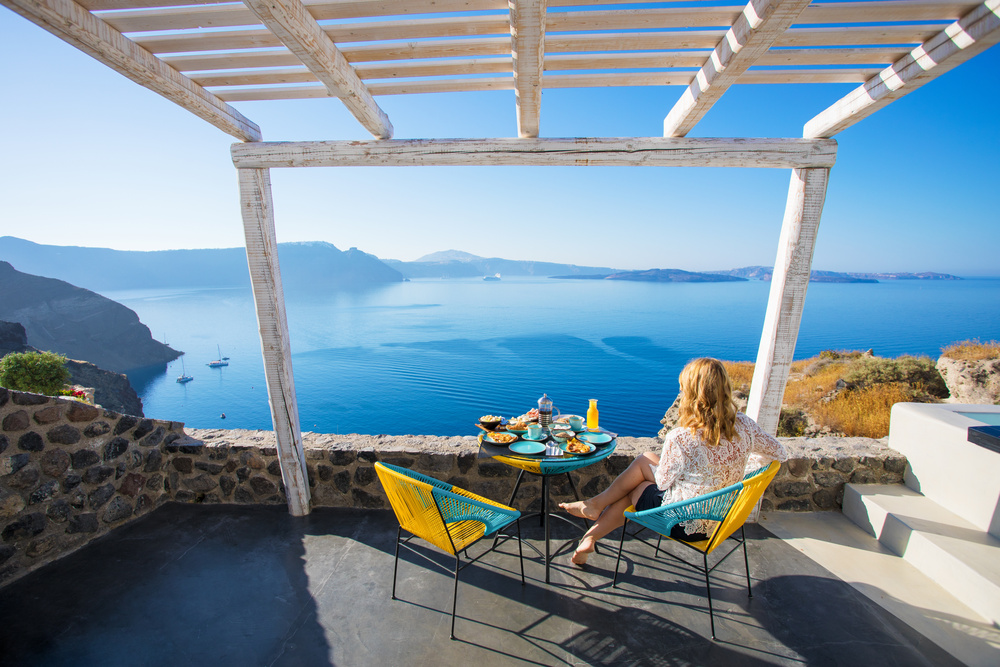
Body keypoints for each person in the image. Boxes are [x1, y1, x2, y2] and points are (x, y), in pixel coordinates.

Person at [559, 357, 788, 566]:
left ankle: (592, 521)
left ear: (691, 393)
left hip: (683, 523)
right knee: (644, 462)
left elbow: (663, 481)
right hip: (724, 518)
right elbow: (778, 452)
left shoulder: (683, 436)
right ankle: (590, 526)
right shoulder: (745, 426)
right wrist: (740, 474)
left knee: (637, 485)